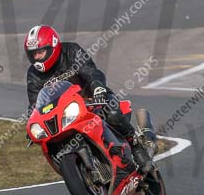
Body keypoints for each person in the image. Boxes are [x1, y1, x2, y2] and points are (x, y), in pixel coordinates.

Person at [24, 25, 153, 170]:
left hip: (93, 99)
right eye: (33, 54)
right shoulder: (33, 73)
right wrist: (32, 124)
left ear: (53, 46)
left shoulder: (71, 51)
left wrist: (97, 87)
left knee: (112, 113)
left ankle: (136, 146)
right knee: (49, 141)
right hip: (63, 113)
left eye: (40, 52)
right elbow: (35, 103)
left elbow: (90, 71)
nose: (36, 58)